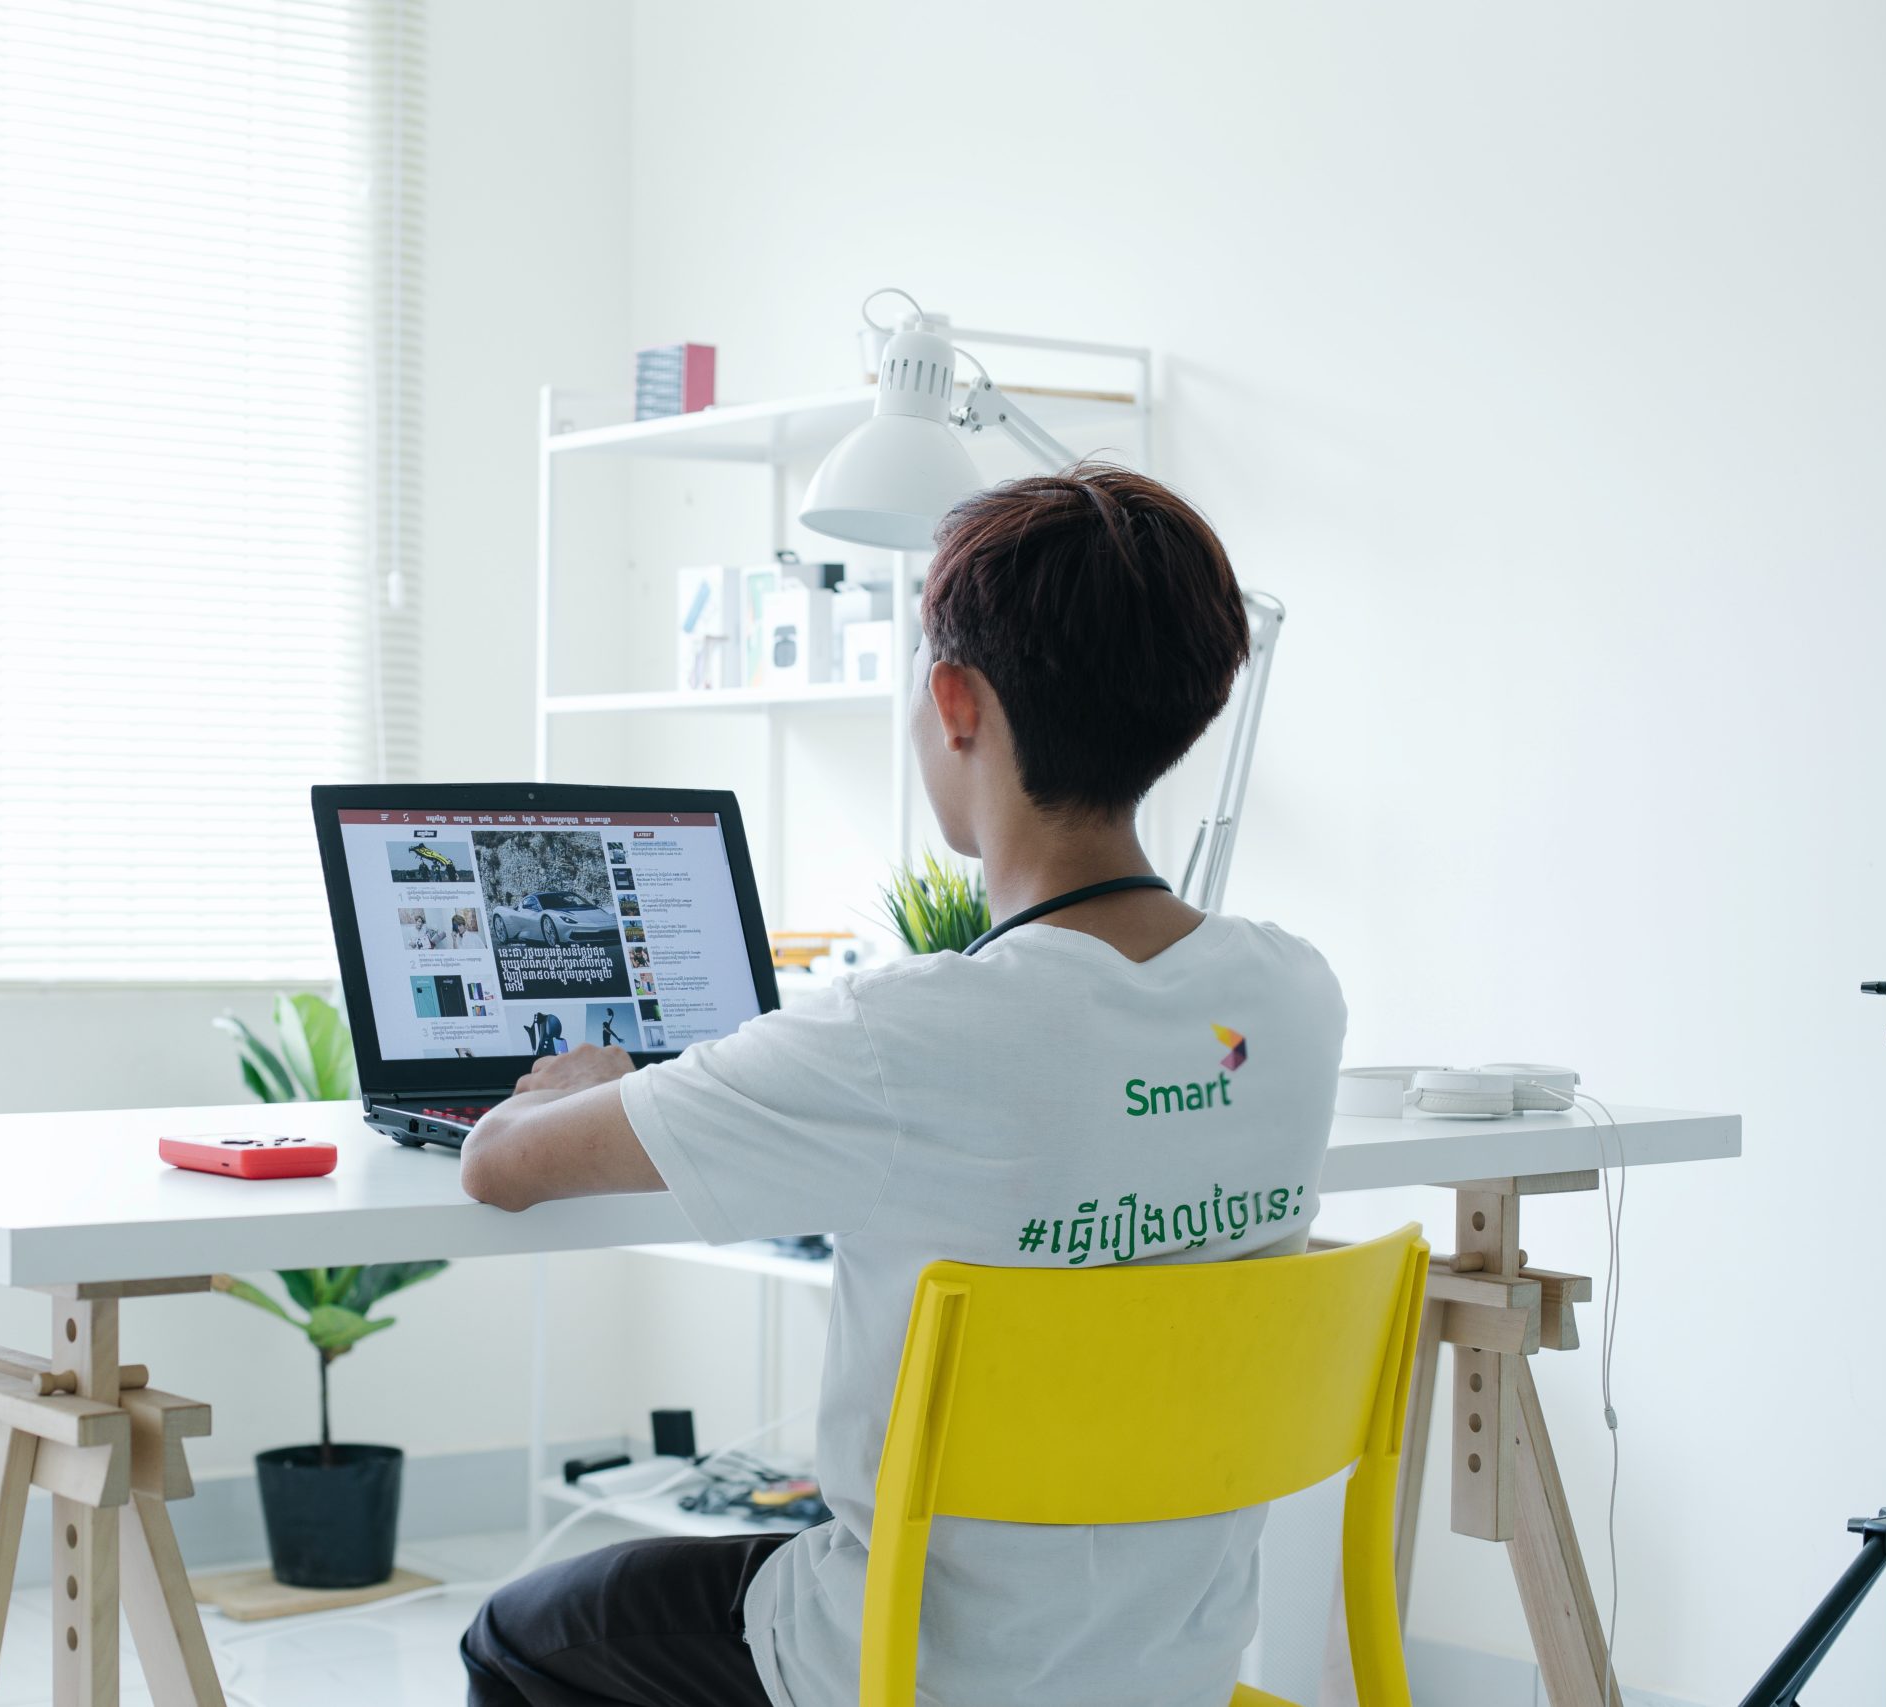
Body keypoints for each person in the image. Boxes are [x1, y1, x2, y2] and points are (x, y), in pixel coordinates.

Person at [457, 467, 1346, 1707]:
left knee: (522, 1630)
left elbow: (499, 1170)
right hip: (1175, 1667)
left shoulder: (905, 1028)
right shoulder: (1294, 1000)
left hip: (907, 1668)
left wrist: (584, 1083)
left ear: (954, 700)